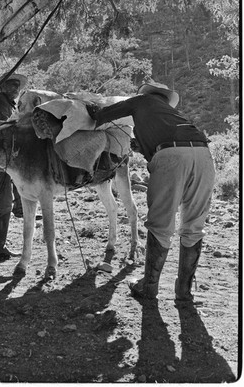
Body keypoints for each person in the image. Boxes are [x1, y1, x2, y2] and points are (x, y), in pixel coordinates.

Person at [86, 81, 215, 302]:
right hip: (204, 156)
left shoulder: (142, 101)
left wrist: (89, 106)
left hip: (172, 157)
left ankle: (149, 286)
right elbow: (158, 144)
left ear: (148, 94)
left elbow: (101, 115)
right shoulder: (172, 116)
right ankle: (184, 293)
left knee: (160, 224)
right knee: (194, 226)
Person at [0, 72, 27, 262]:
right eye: (11, 85)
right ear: (2, 87)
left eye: (17, 86)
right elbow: (7, 126)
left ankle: (0, 245)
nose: (15, 89)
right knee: (4, 200)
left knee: (8, 190)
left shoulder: (4, 101)